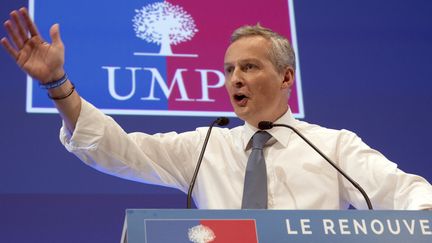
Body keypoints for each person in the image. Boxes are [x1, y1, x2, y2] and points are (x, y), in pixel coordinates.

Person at [2, 7, 432, 210]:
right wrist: (58, 84)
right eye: (229, 70)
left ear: (285, 78)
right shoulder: (206, 145)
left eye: (249, 67)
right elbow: (116, 149)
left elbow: (400, 192)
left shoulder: (332, 146)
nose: (235, 79)